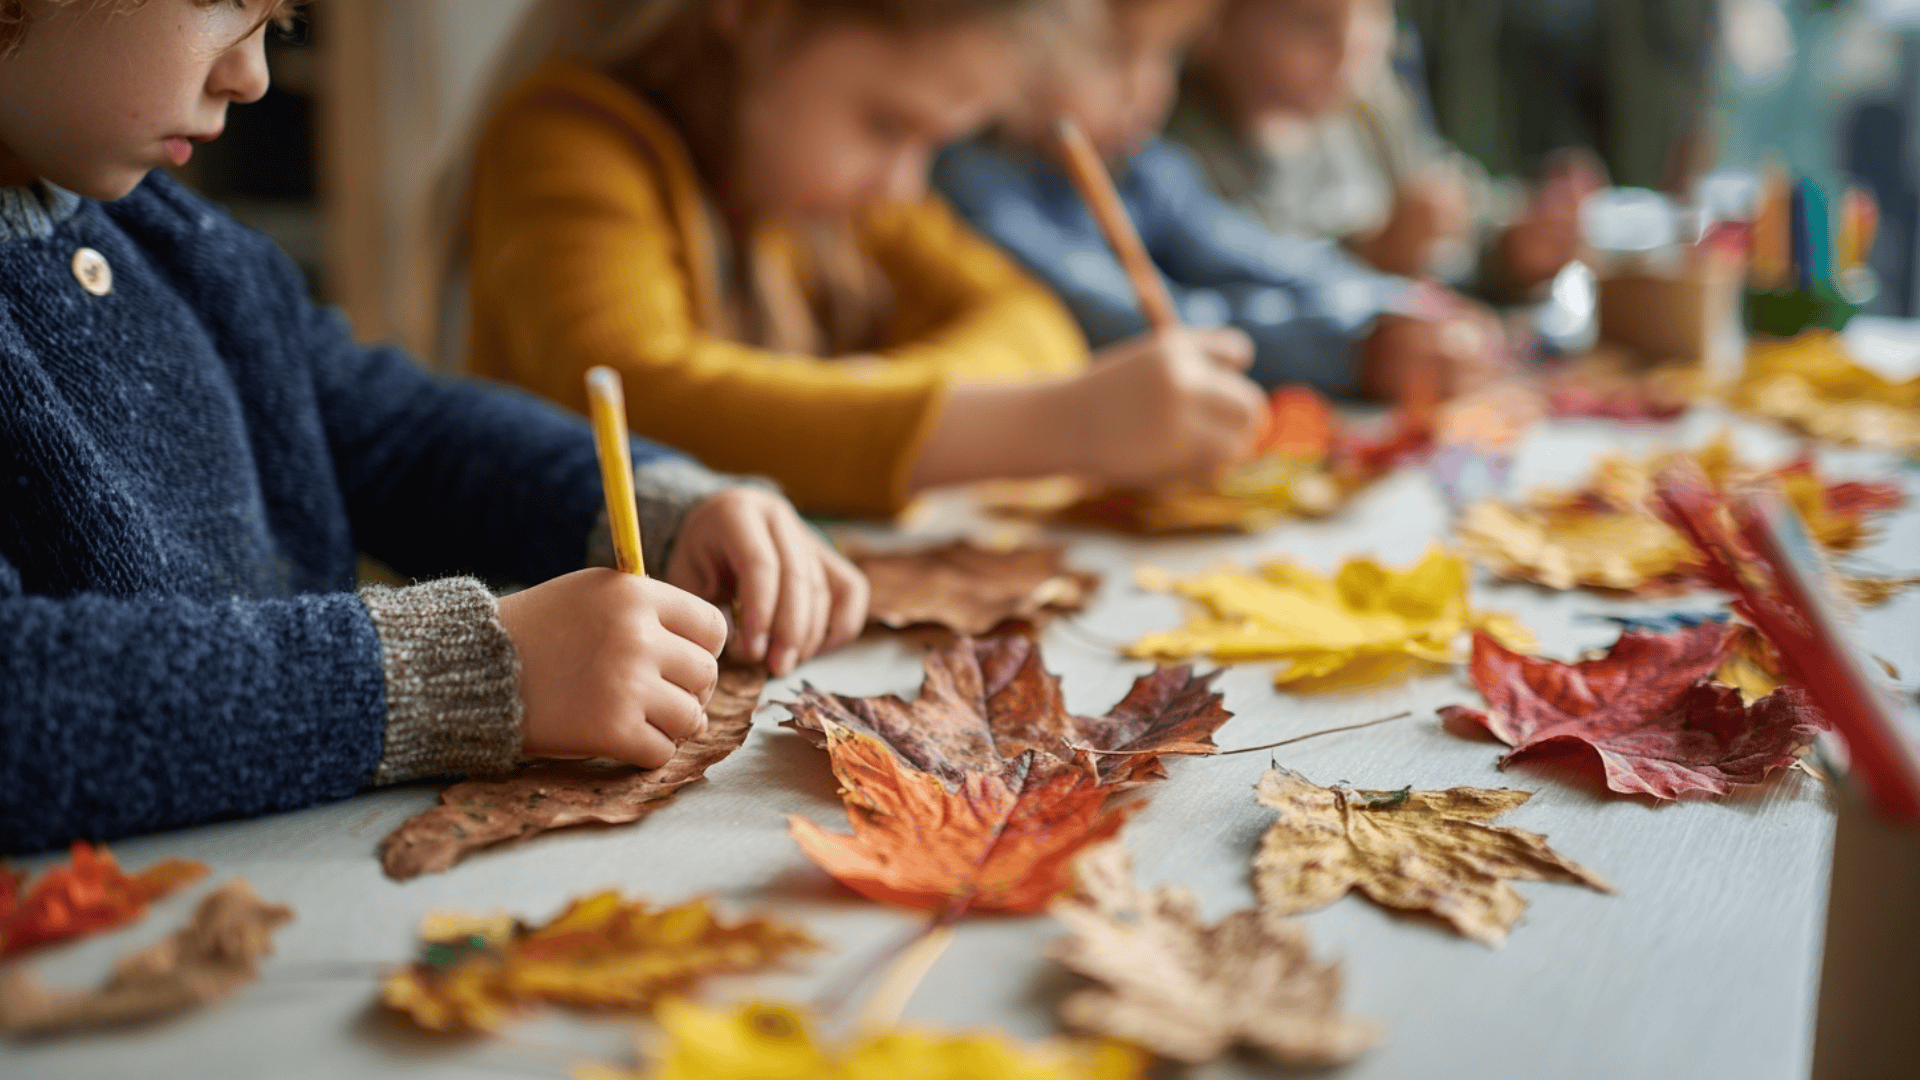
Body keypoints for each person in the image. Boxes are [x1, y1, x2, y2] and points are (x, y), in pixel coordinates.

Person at [0, 0, 867, 854]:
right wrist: (466, 676)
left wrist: (664, 502)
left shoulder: (172, 239)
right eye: (220, 3)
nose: (252, 75)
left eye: (281, 22)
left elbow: (397, 434)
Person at [458, 0, 1270, 520]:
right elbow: (642, 408)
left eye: (935, 141)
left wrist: (844, 410)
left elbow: (1030, 319)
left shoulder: (827, 199)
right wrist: (1061, 424)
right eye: (886, 125)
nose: (904, 183)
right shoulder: (567, 144)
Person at [931, 0, 1490, 402]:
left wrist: (1395, 305)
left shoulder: (1144, 167)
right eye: (1120, 56)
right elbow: (1138, 323)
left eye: (1163, 59)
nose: (1148, 89)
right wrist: (1352, 348)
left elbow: (1264, 259)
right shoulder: (974, 189)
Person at [1168, 0, 1595, 295]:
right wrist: (1370, 256)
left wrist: (1510, 246)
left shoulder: (1367, 104)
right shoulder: (1178, 149)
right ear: (1214, 22)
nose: (1350, 46)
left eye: (1371, 12)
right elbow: (1228, 280)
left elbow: (1460, 207)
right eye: (1312, 21)